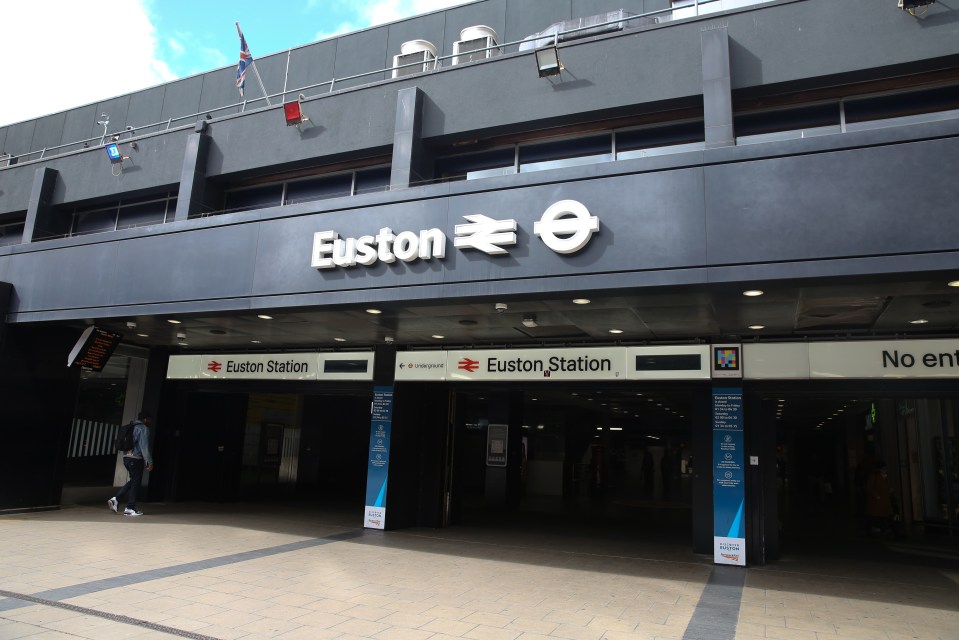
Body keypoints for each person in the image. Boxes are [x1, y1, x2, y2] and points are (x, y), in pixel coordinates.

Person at [107, 411, 155, 517]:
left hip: (126, 458)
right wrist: (149, 462)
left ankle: (116, 499)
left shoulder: (131, 426)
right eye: (150, 419)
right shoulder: (143, 428)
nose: (151, 422)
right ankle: (130, 508)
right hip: (136, 459)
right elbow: (144, 447)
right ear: (146, 419)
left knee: (134, 481)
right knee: (135, 483)